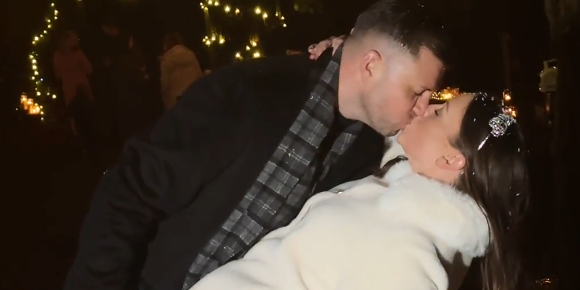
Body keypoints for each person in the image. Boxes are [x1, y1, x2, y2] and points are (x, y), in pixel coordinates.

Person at [64, 0, 450, 290]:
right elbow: (128, 194)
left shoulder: (367, 146)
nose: (422, 108)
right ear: (370, 65)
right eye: (417, 91)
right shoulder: (248, 93)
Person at [190, 93, 529, 290]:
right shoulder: (400, 179)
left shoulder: (410, 253)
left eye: (439, 112)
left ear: (452, 158)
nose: (424, 107)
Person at [53, 31, 93, 137]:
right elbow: (89, 69)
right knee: (86, 114)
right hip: (82, 87)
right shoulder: (78, 54)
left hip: (68, 88)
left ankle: (76, 136)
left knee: (73, 116)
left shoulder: (57, 55)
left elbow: (58, 74)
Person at [160, 32, 203, 109]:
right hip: (193, 95)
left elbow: (165, 85)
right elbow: (199, 75)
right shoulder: (190, 55)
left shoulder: (167, 60)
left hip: (176, 100)